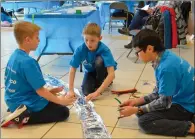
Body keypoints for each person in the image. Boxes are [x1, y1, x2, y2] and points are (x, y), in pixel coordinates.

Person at [118, 29, 195, 136]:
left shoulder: (166, 68)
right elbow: (158, 92)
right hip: (181, 97)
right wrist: (136, 102)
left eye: (138, 52)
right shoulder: (164, 56)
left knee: (144, 121)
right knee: (142, 110)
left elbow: (164, 102)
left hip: (187, 106)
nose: (137, 55)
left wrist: (137, 109)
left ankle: (191, 127)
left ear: (149, 48)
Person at [1, 21, 76, 128]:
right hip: (25, 103)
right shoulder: (28, 62)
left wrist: (50, 91)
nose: (39, 40)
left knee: (52, 100)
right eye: (37, 37)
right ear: (27, 40)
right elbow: (40, 91)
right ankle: (21, 116)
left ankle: (15, 109)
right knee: (63, 111)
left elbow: (20, 83)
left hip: (12, 100)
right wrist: (61, 101)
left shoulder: (14, 56)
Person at [68, 23, 117, 101]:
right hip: (90, 72)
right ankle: (96, 82)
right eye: (86, 40)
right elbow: (72, 69)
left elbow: (111, 74)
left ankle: (102, 81)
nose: (88, 44)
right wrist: (70, 90)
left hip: (103, 71)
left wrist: (97, 92)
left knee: (99, 61)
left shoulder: (105, 50)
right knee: (86, 92)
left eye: (92, 40)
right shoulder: (80, 50)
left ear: (100, 38)